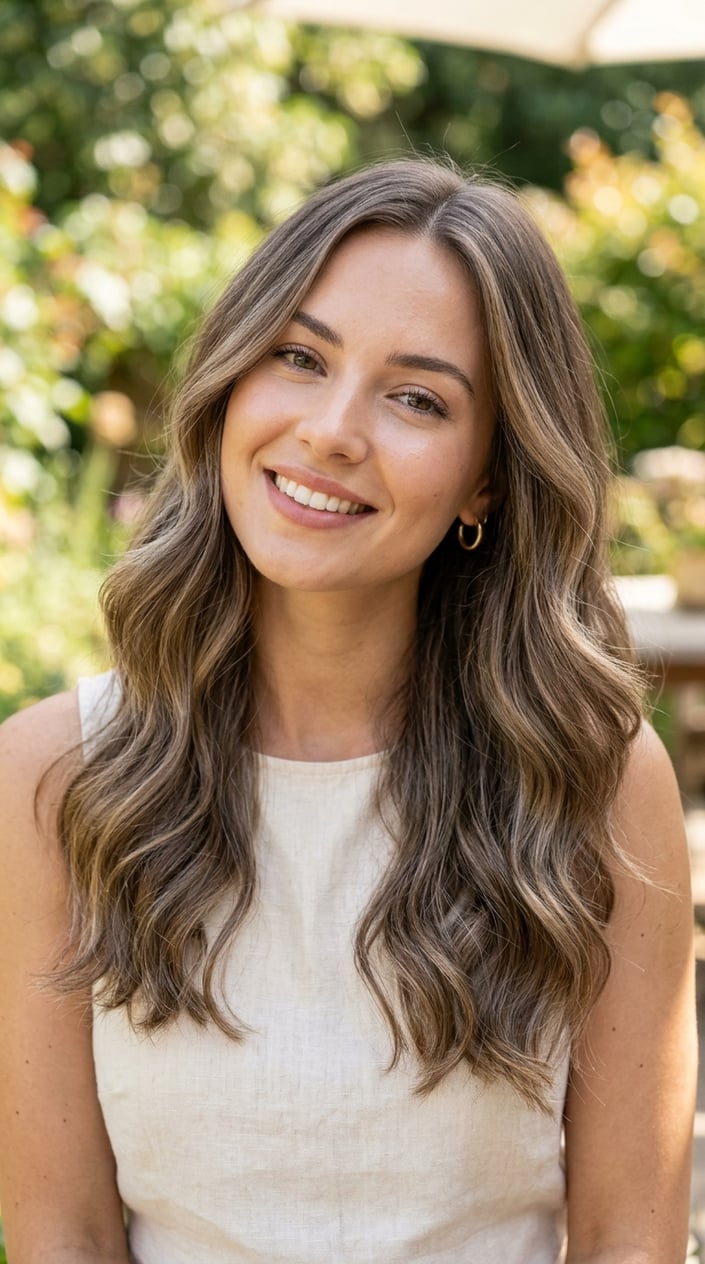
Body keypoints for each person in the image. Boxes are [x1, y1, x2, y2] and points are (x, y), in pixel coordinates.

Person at [0, 157, 697, 1264]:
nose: (331, 428)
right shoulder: (54, 775)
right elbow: (61, 1232)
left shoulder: (596, 779)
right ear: (233, 380)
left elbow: (631, 1237)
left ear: (487, 482)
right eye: (299, 357)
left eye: (417, 397)